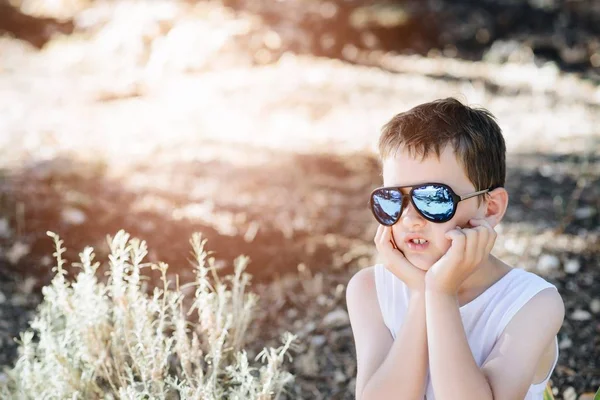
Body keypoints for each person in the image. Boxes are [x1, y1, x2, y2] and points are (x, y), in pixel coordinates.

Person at [346, 98, 565, 400]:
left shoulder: (533, 304)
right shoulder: (370, 290)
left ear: (489, 208)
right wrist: (422, 294)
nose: (409, 218)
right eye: (393, 199)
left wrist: (440, 293)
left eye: (434, 199)